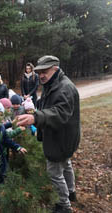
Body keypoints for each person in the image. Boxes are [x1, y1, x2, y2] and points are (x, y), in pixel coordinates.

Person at [17, 55, 80, 213]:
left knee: (54, 173)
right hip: (62, 137)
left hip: (60, 138)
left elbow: (60, 113)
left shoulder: (65, 88)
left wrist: (35, 117)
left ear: (55, 68)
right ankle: (71, 193)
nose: (41, 75)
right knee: (66, 164)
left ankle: (64, 206)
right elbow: (48, 104)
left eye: (45, 71)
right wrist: (36, 108)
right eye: (39, 72)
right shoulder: (52, 84)